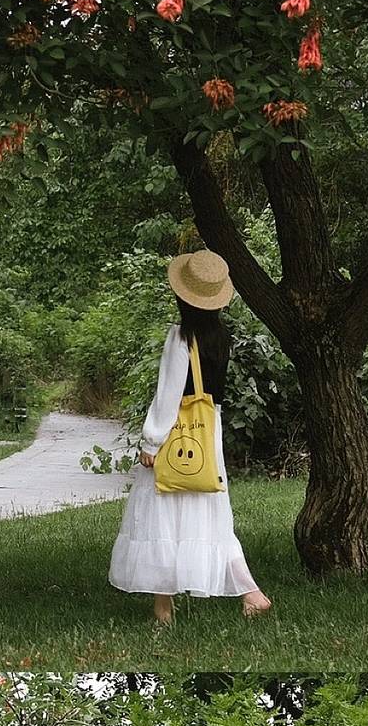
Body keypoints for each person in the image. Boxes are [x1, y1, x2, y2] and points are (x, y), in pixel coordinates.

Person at [109, 245, 271, 624]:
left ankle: (163, 609)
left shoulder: (180, 337)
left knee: (160, 517)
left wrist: (151, 440)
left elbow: (170, 395)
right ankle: (252, 593)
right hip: (205, 435)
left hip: (176, 436)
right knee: (211, 518)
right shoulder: (222, 338)